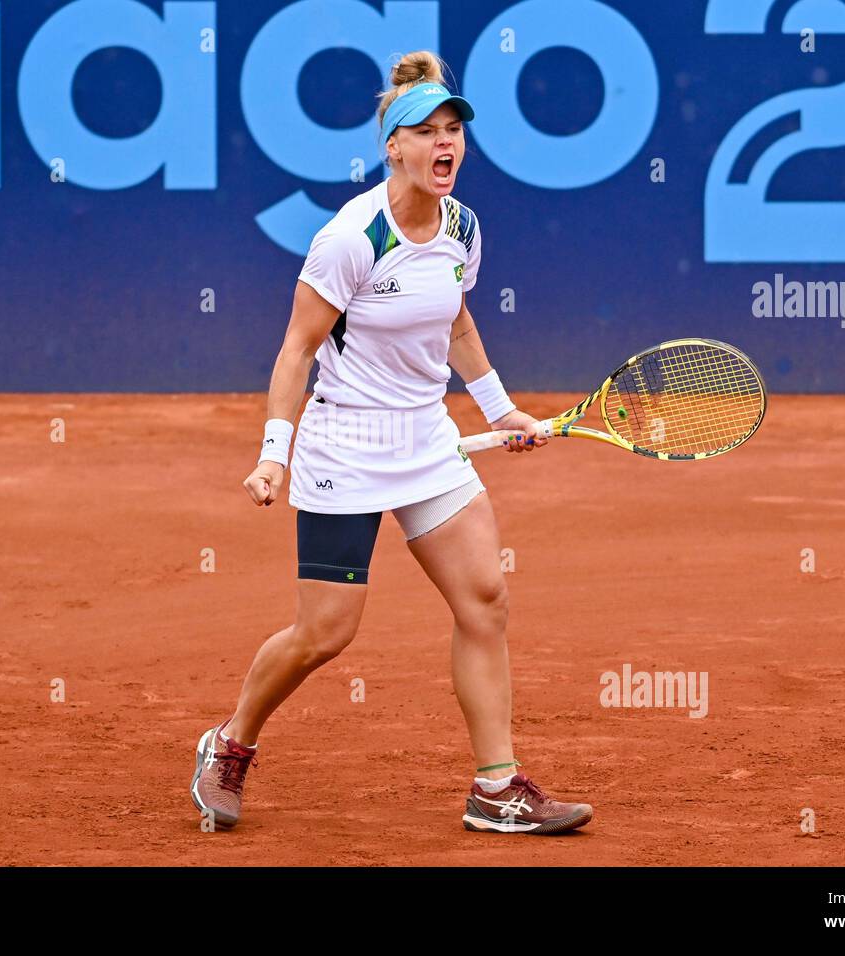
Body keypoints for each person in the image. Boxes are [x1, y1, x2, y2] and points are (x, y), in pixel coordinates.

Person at [189, 51, 593, 835]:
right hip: (344, 446)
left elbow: (458, 321)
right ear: (393, 147)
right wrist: (276, 451)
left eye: (454, 132)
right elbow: (296, 351)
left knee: (485, 600)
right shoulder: (350, 238)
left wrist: (500, 409)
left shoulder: (464, 227)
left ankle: (495, 786)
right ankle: (230, 742)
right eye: (427, 132)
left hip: (427, 441)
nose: (446, 144)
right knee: (326, 632)